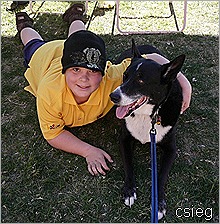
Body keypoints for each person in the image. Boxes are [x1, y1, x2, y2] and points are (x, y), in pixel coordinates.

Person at [15, 2, 192, 176]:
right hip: (45, 56)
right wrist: (87, 151)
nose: (84, 78)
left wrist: (183, 82)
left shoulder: (113, 78)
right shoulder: (50, 93)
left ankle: (75, 16)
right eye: (76, 70)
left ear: (104, 71)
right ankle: (24, 24)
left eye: (92, 71)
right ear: (64, 71)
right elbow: (53, 134)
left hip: (75, 50)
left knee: (80, 36)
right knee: (32, 43)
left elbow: (152, 58)